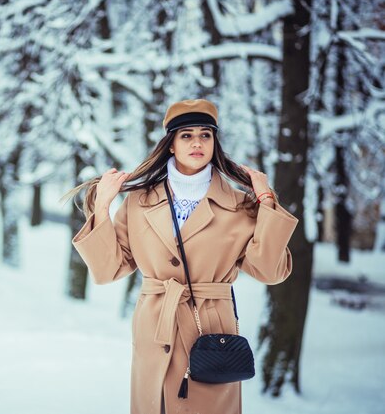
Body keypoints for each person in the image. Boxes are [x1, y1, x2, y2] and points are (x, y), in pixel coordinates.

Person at [62, 99, 299, 414]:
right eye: (186, 135)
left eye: (205, 135)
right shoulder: (138, 201)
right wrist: (102, 207)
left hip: (211, 331)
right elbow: (109, 269)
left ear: (215, 143)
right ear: (170, 144)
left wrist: (266, 199)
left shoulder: (241, 205)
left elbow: (270, 271)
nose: (197, 142)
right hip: (155, 323)